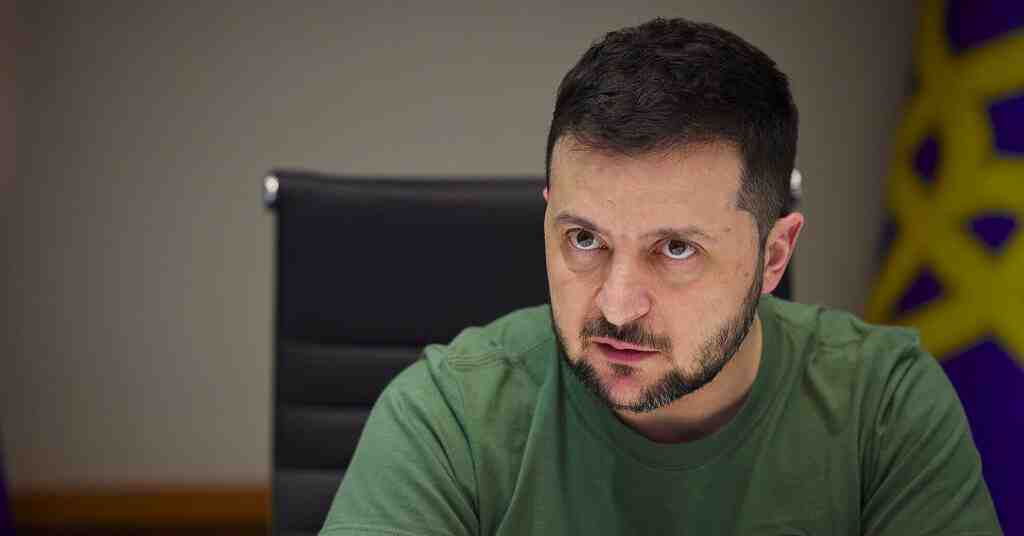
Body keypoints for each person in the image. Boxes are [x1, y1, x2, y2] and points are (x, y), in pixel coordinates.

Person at [319, 17, 1001, 535]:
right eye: (584, 239)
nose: (617, 308)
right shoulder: (447, 419)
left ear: (774, 256)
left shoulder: (884, 409)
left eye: (676, 249)